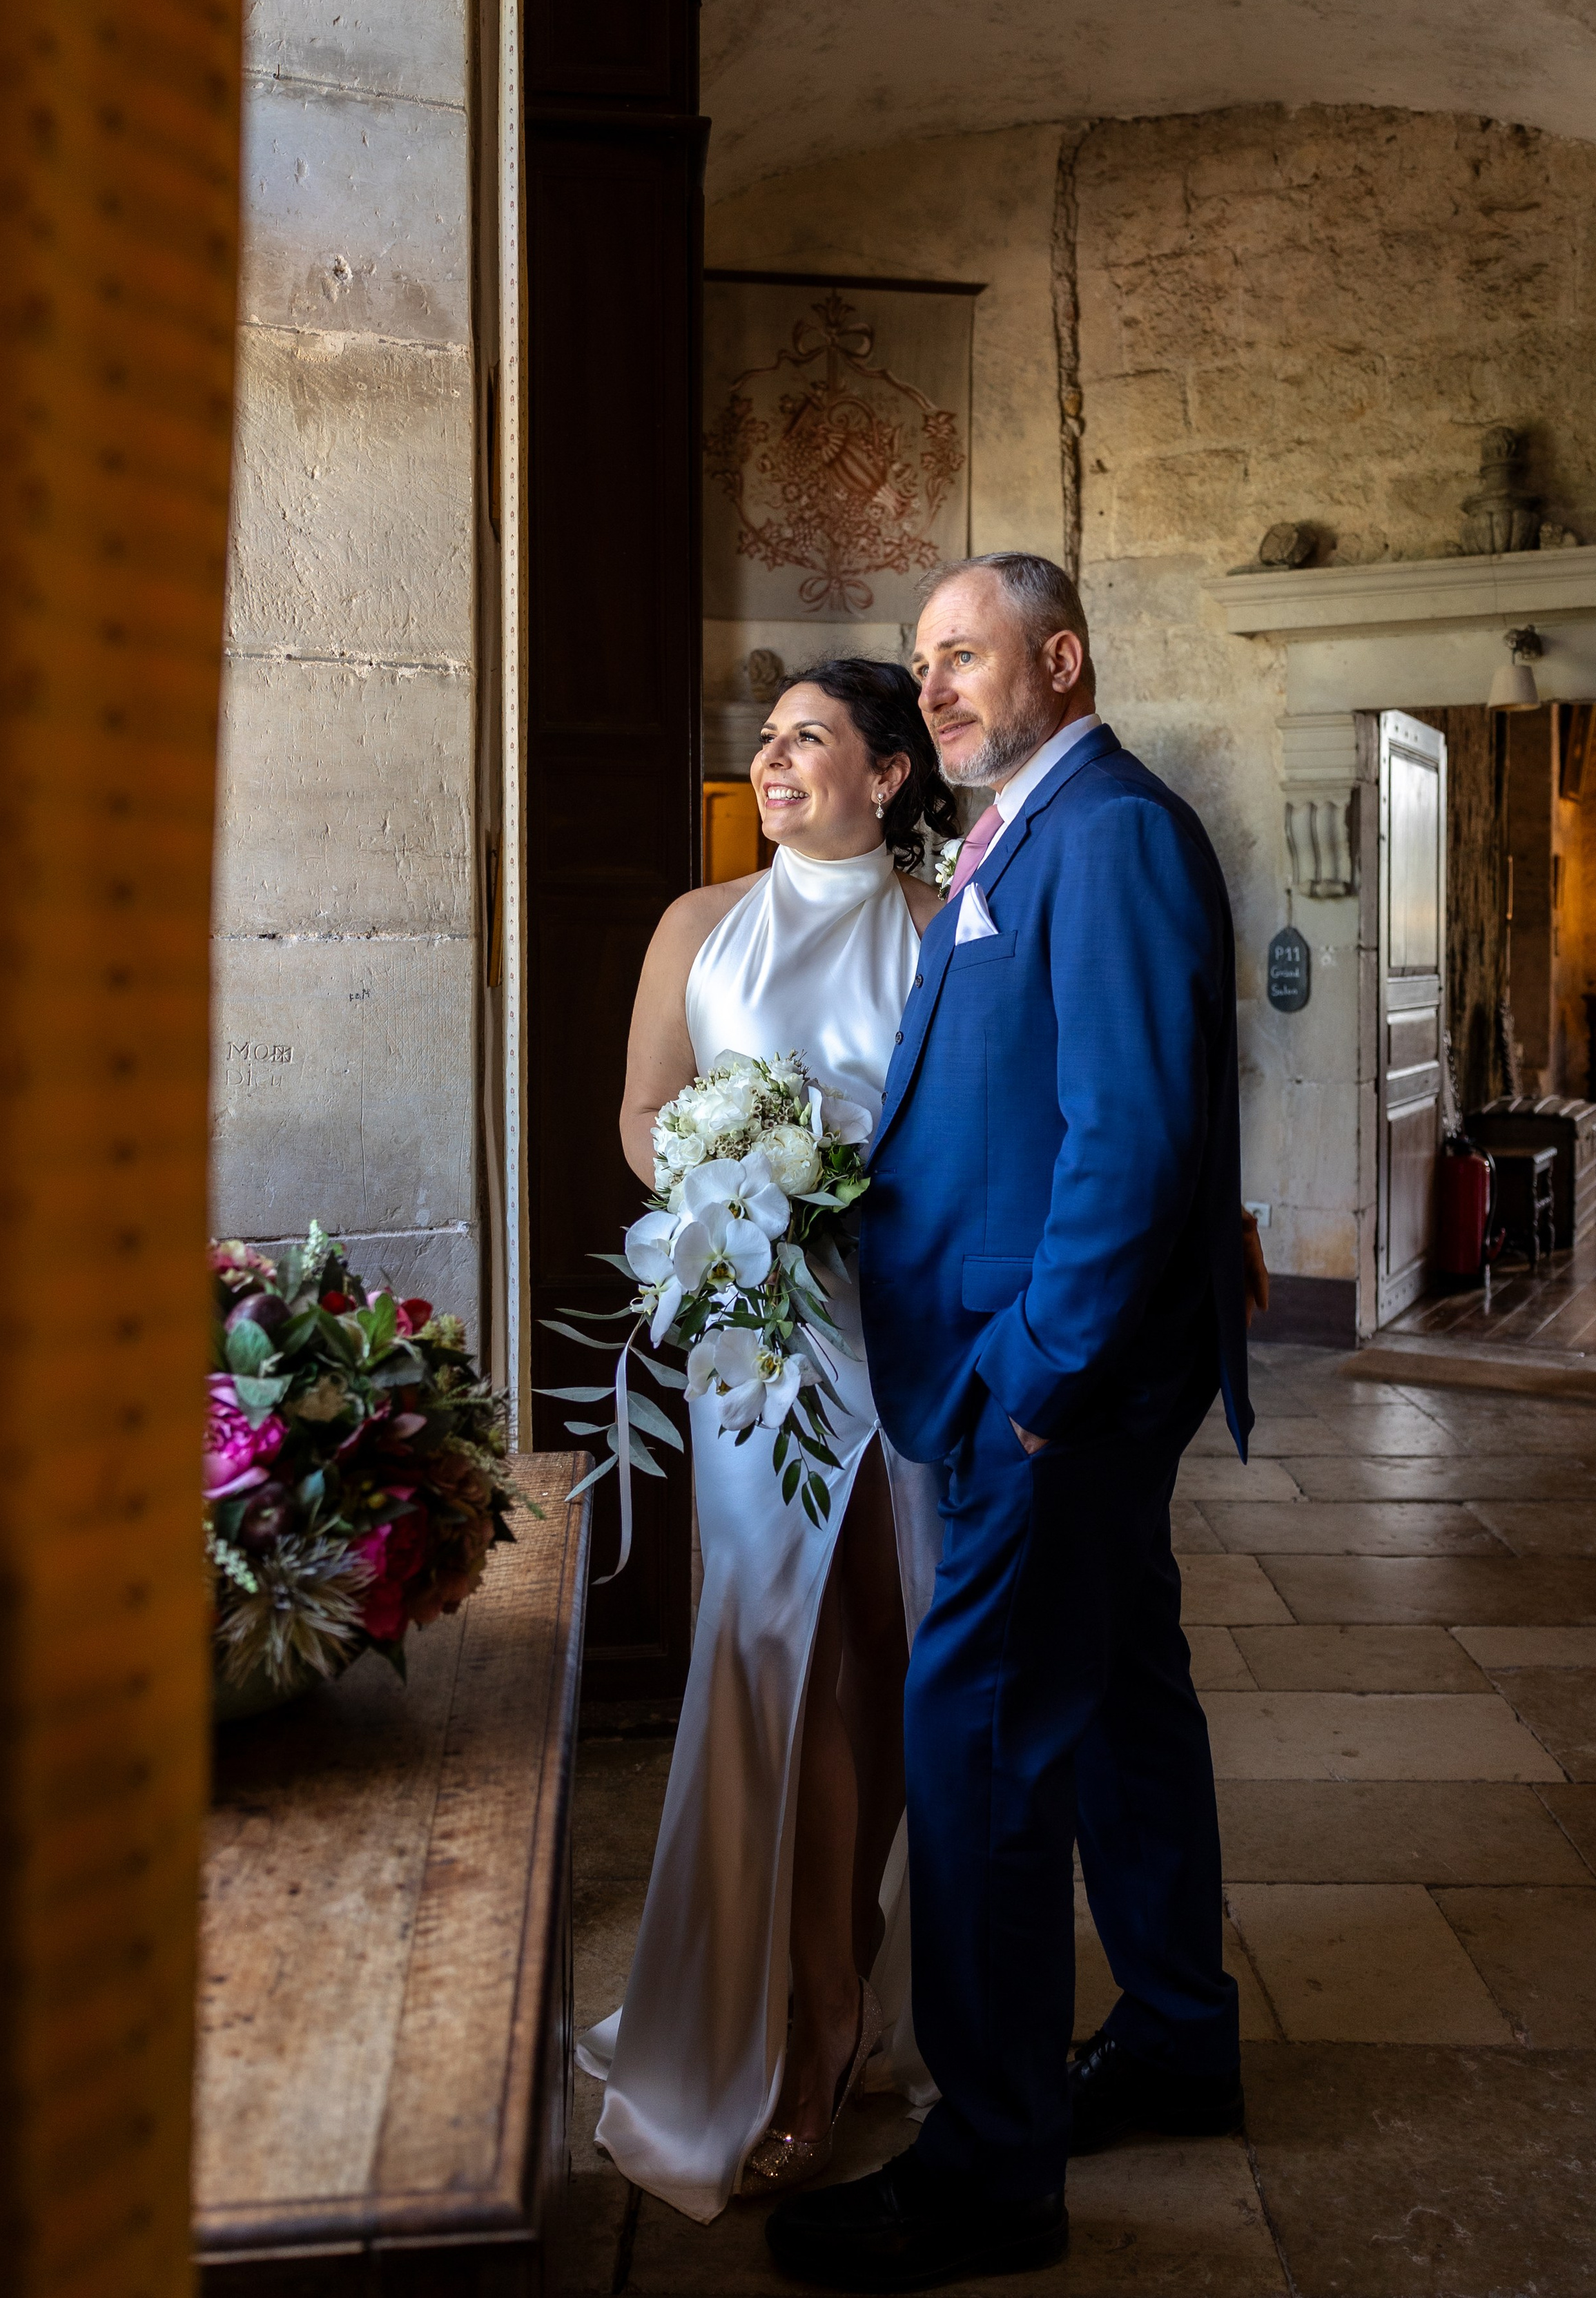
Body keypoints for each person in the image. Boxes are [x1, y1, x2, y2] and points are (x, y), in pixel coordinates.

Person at [766, 554, 1256, 2293]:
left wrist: (1039, 1376)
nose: (938, 688)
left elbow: (1126, 1134)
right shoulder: (1020, 827)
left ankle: (986, 2169)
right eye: (922, 665)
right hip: (1040, 1366)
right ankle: (1183, 2036)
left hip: (1046, 1382)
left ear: (1058, 657)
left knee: (971, 1732)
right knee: (1119, 1691)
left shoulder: (1107, 831)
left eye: (962, 656)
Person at [576, 660, 955, 2223]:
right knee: (774, 1662)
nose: (774, 754)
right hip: (760, 1329)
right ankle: (798, 2028)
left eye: (810, 735)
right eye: (770, 734)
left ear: (886, 772)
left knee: (889, 1645)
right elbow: (643, 1113)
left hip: (904, 1318)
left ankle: (853, 1973)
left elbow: (976, 1126)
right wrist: (733, 1189)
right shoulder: (694, 924)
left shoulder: (945, 926)